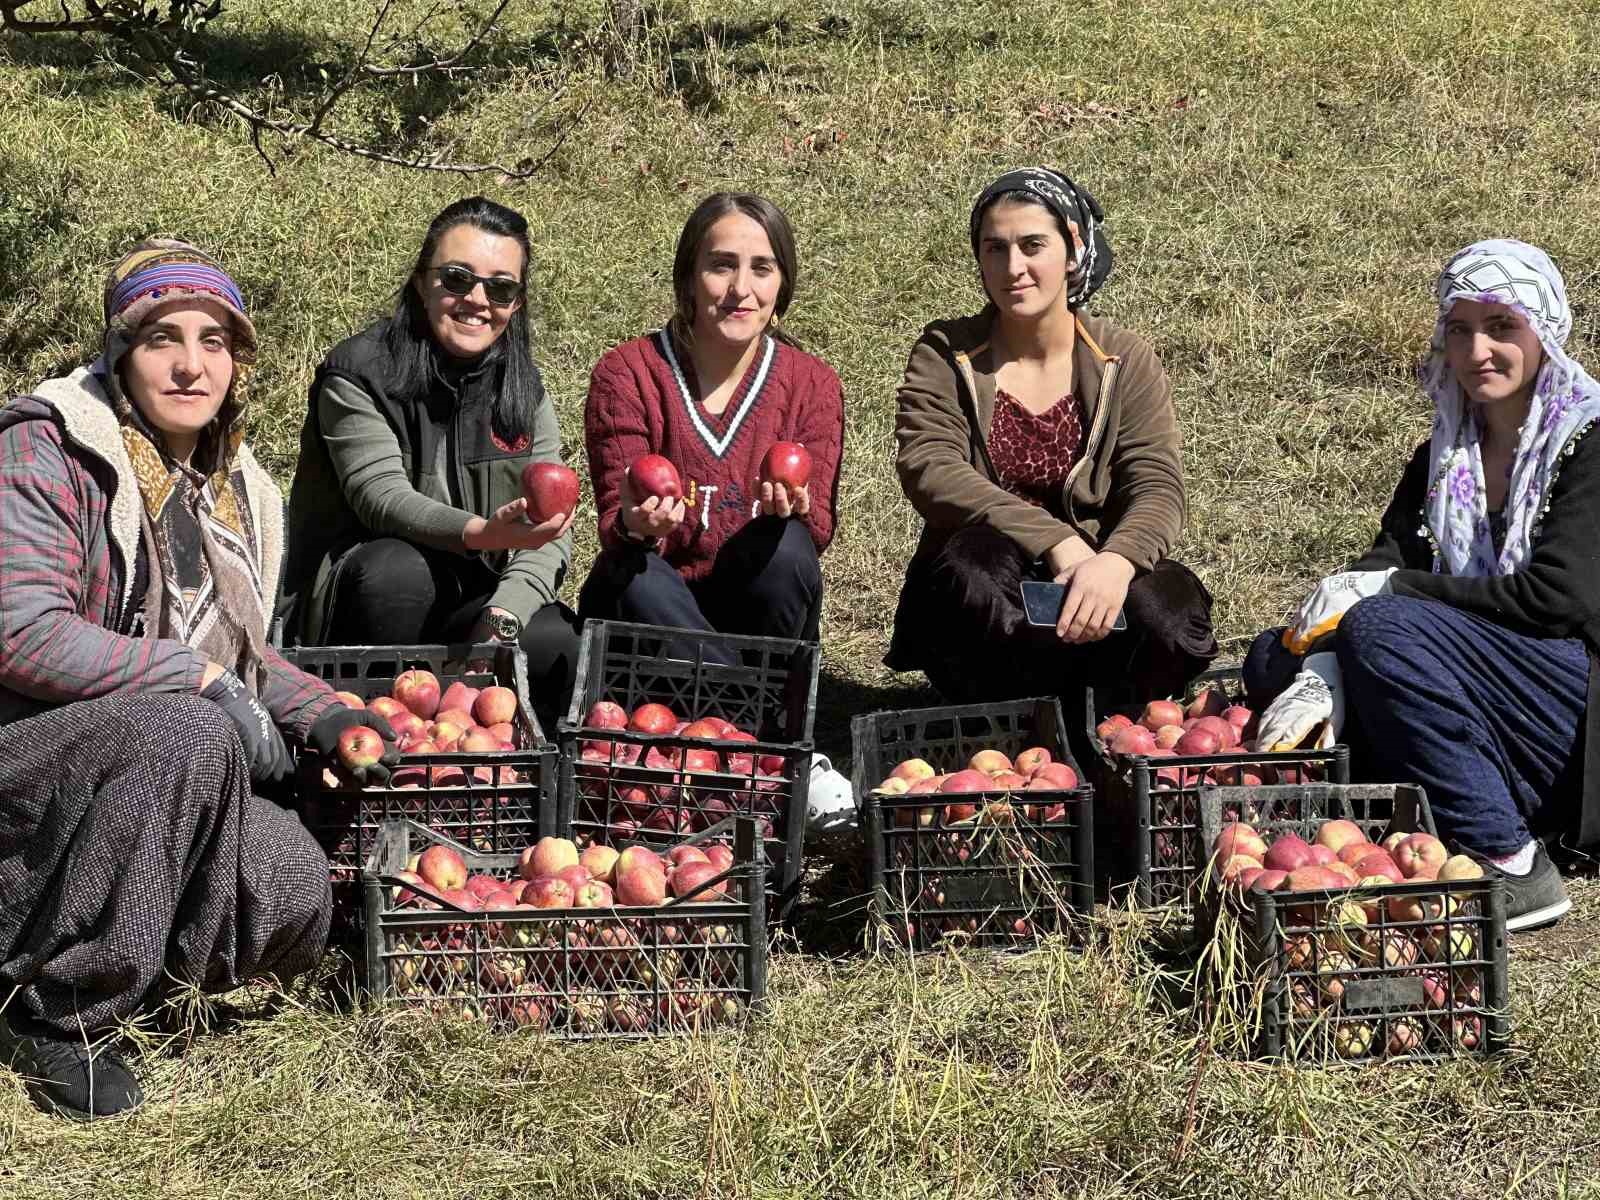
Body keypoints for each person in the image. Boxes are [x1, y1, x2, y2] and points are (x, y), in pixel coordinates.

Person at [0, 240, 397, 1120]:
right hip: (31, 764)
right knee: (186, 728)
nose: (191, 365)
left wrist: (326, 713)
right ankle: (59, 1009)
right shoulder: (51, 447)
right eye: (162, 339)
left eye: (215, 341)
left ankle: (119, 948)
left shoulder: (231, 484)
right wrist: (197, 678)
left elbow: (242, 654)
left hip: (148, 781)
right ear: (118, 350)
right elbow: (19, 633)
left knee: (296, 889)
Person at [1244, 239, 1600, 932]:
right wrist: (1321, 654)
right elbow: (1386, 559)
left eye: (1502, 328)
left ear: (1546, 333)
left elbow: (1560, 600)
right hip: (1497, 692)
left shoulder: (1590, 444)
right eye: (1459, 329)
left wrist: (1391, 597)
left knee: (1382, 628)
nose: (1477, 352)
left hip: (1576, 707)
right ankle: (1448, 803)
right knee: (1272, 658)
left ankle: (1514, 862)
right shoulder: (1446, 452)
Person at [885, 167, 1217, 713]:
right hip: (993, 585)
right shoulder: (947, 351)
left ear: (1072, 250)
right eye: (995, 248)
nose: (1013, 267)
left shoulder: (1123, 357)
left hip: (1097, 573)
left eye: (1032, 245)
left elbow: (1156, 483)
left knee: (1172, 618)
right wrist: (1053, 540)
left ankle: (1094, 716)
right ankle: (1018, 717)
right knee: (971, 568)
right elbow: (931, 467)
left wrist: (1116, 561)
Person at [284, 197, 580, 732]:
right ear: (422, 282)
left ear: (517, 303)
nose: (478, 299)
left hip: (473, 599)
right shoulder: (357, 375)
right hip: (366, 589)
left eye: (501, 287)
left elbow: (550, 532)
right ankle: (363, 740)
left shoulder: (523, 390)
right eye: (457, 278)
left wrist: (504, 614)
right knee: (398, 572)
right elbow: (382, 498)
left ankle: (517, 782)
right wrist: (481, 533)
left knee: (555, 638)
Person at [578, 191, 844, 649]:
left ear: (782, 284)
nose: (741, 289)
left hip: (752, 613)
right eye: (721, 265)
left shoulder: (812, 384)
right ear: (689, 278)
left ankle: (724, 700)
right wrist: (638, 525)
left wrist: (796, 509)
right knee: (631, 570)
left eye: (762, 268)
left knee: (787, 550)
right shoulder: (627, 374)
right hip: (653, 612)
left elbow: (816, 531)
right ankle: (745, 708)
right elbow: (613, 524)